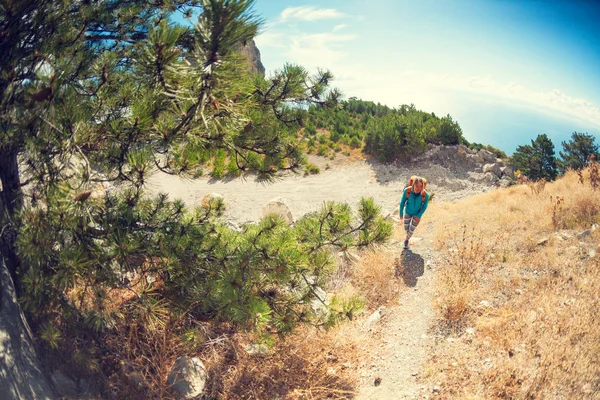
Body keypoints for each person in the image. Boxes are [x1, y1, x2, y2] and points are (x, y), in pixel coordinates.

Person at [399, 176, 429, 249]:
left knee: (412, 229)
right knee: (406, 228)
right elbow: (402, 202)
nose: (419, 188)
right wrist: (401, 213)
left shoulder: (425, 194)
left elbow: (425, 206)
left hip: (417, 214)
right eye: (417, 186)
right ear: (413, 185)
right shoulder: (407, 191)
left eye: (420, 186)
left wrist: (419, 216)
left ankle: (406, 240)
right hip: (408, 212)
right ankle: (408, 236)